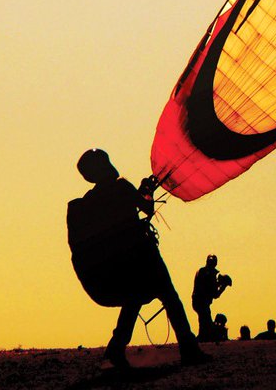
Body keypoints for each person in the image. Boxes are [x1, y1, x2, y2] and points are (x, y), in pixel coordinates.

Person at [70, 149, 208, 369]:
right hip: (141, 257)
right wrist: (147, 191)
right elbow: (147, 207)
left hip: (117, 265)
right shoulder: (121, 187)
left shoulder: (90, 200)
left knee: (133, 299)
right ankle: (188, 348)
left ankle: (116, 347)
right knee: (169, 296)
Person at [192, 254, 231, 341]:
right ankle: (202, 338)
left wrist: (219, 284)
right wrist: (222, 286)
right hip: (201, 302)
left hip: (199, 301)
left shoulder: (203, 272)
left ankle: (202, 337)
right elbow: (214, 293)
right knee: (205, 321)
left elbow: (211, 290)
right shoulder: (206, 273)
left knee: (204, 321)